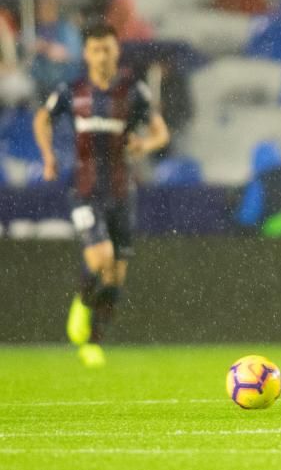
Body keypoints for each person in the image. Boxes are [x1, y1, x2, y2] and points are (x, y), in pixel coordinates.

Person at [32, 23, 170, 368]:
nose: (102, 55)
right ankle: (81, 302)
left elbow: (160, 132)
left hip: (122, 193)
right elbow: (41, 120)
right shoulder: (73, 89)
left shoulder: (132, 91)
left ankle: (93, 342)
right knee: (101, 258)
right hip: (85, 190)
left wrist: (145, 144)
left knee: (116, 275)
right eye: (96, 49)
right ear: (86, 53)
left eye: (108, 48)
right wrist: (48, 156)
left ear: (116, 51)